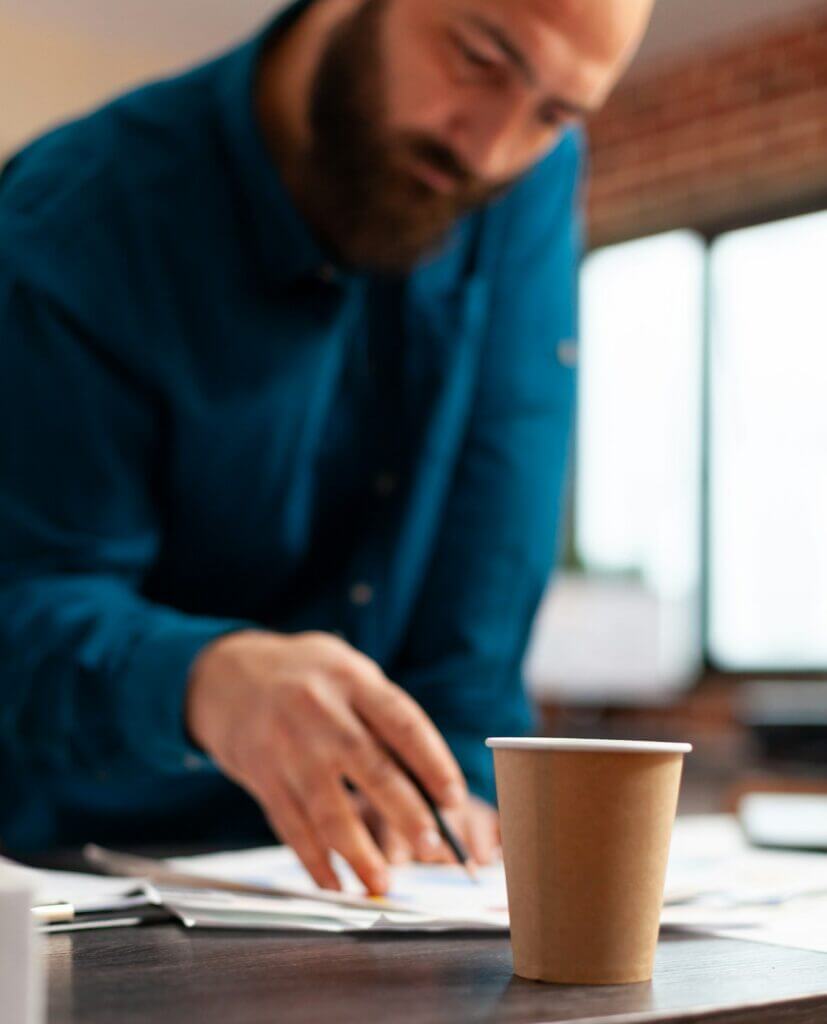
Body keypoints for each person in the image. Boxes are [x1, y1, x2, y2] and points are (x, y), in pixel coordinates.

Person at [0, 0, 652, 893]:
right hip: (93, 878)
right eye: (478, 57)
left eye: (555, 113)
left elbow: (489, 548)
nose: (490, 147)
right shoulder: (73, 217)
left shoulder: (522, 182)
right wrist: (202, 680)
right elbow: (25, 598)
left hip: (407, 881)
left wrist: (462, 800)